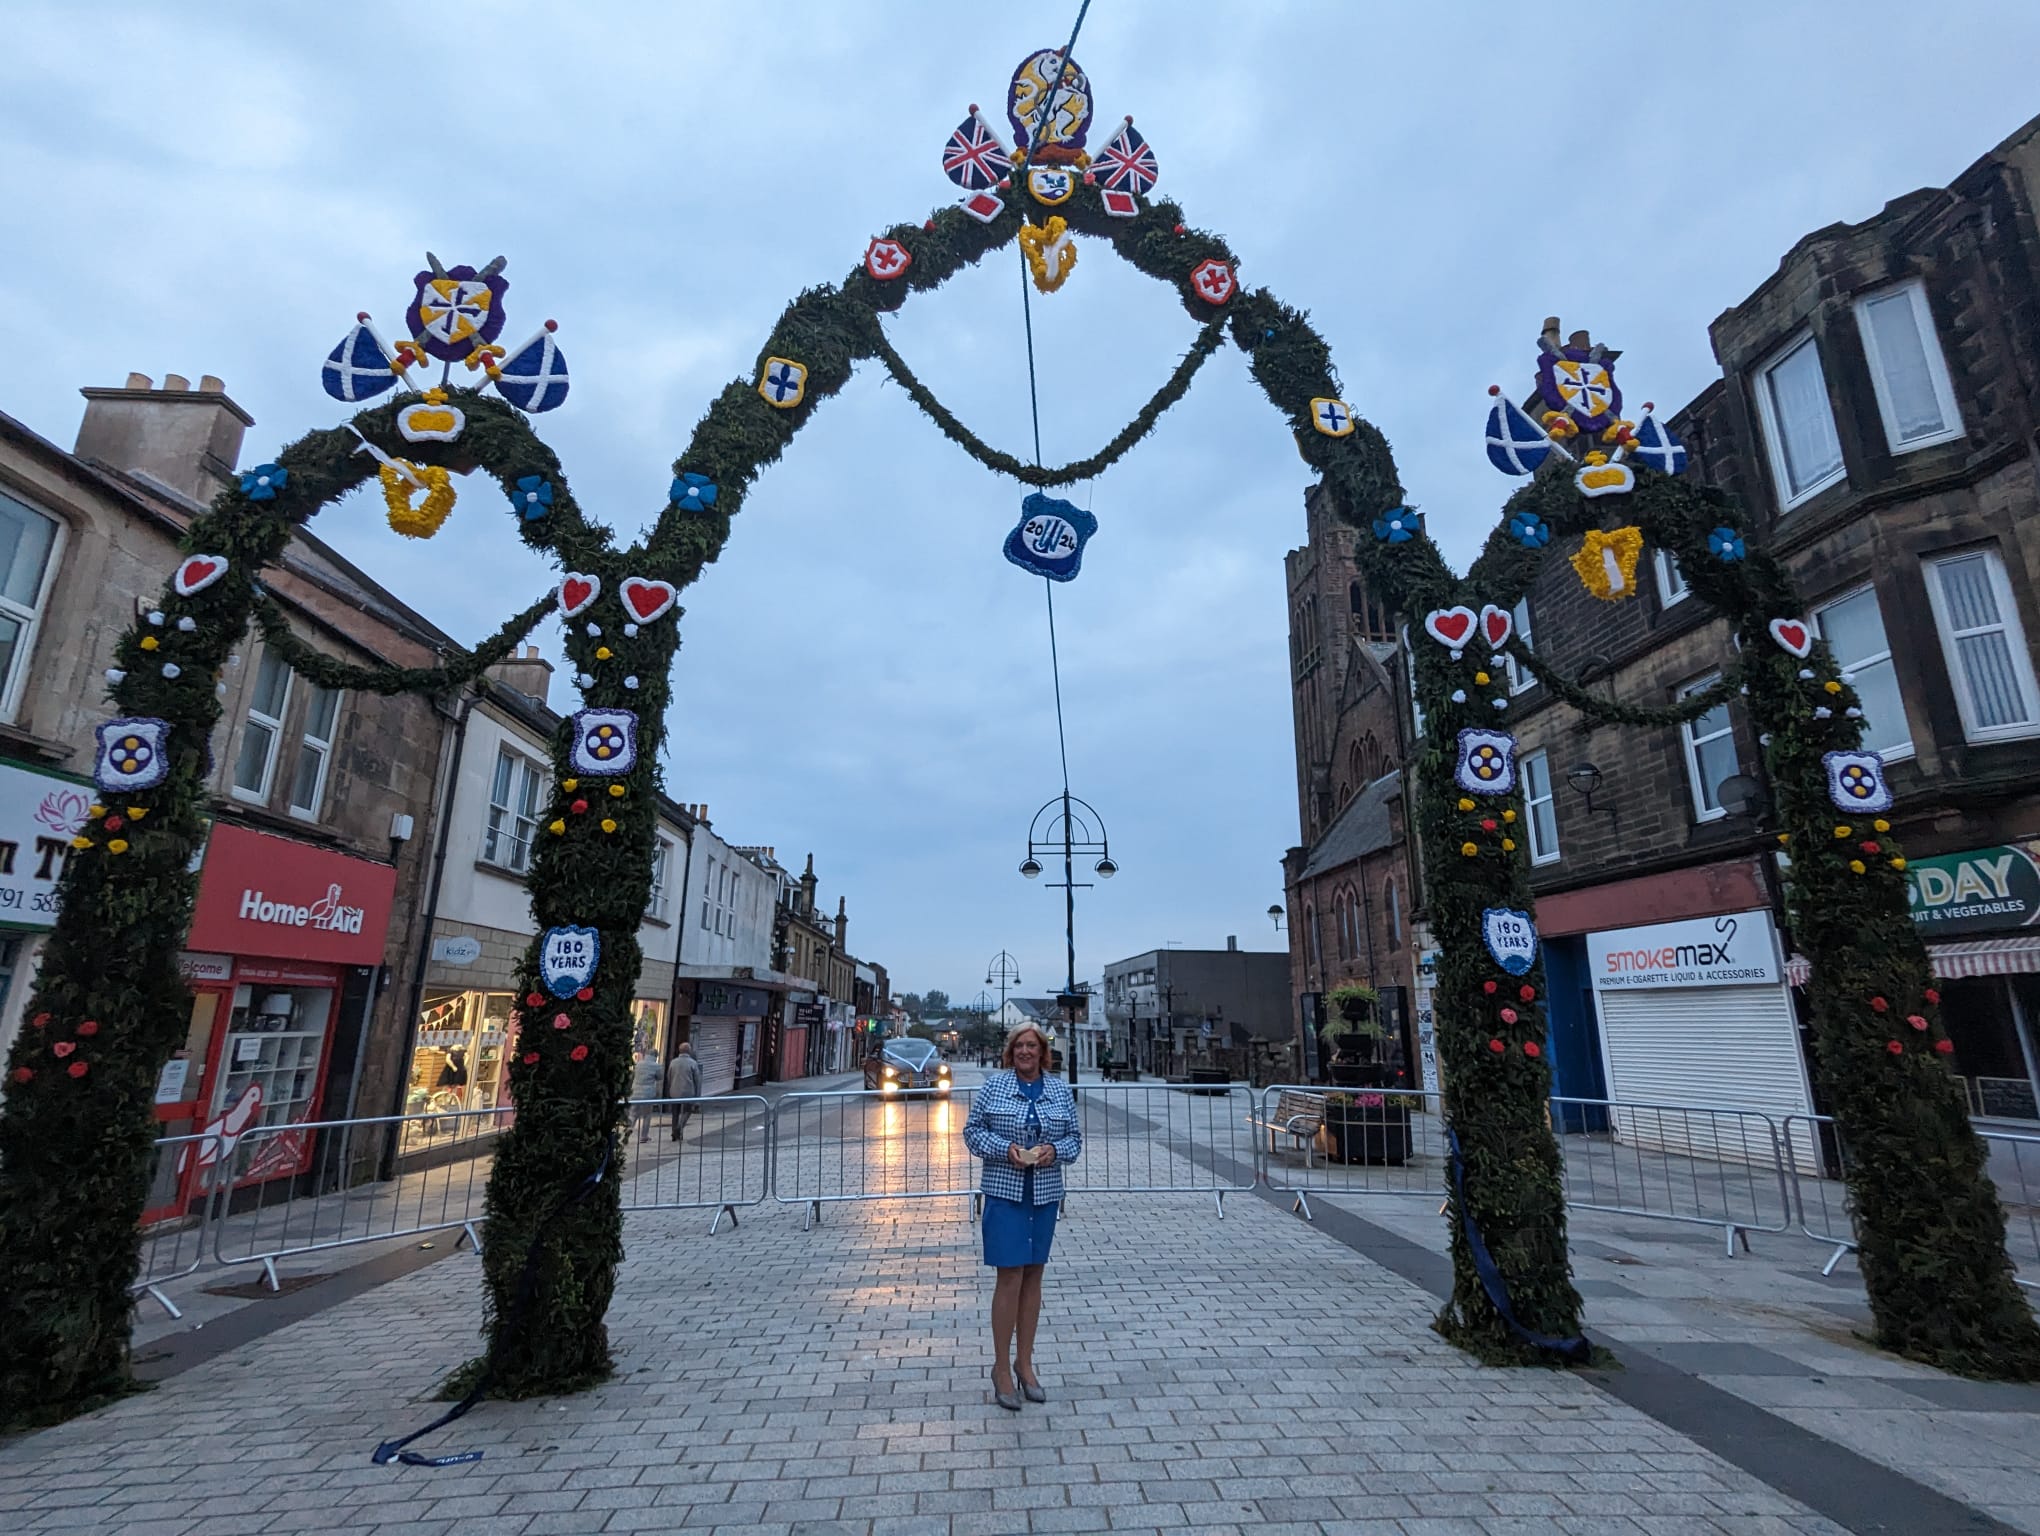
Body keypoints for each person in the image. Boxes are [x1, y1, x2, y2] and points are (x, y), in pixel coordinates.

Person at [962, 1023, 1081, 1411]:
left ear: (1043, 1052)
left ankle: (1024, 1363)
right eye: (1019, 1046)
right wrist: (1004, 1148)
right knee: (1009, 1277)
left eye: (1032, 1046)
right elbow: (972, 1132)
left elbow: (1075, 1141)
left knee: (1034, 1277)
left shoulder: (1060, 1090)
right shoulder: (994, 1087)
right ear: (1010, 1051)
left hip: (1044, 1195)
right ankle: (1000, 1368)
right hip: (1005, 1194)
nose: (1025, 1052)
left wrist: (1053, 1150)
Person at [666, 1039, 703, 1141]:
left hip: (674, 1091)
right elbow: (697, 1080)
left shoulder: (673, 1062)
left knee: (675, 1113)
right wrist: (697, 1097)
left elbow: (669, 1077)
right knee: (688, 1110)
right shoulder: (693, 1063)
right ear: (689, 1051)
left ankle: (674, 1132)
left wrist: (671, 1087)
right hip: (688, 1092)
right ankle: (679, 1128)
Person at [631, 1048, 664, 1144]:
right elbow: (660, 1077)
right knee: (647, 1115)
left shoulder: (638, 1064)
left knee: (633, 1114)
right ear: (655, 1056)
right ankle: (643, 1136)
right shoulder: (656, 1066)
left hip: (635, 1092)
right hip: (648, 1094)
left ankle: (627, 1132)